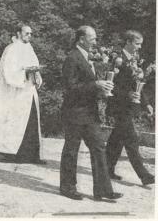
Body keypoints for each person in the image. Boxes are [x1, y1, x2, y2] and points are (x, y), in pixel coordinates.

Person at [60, 26, 122, 201]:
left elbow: (86, 86)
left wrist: (101, 91)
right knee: (72, 149)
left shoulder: (87, 57)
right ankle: (67, 187)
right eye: (92, 38)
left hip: (89, 112)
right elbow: (69, 88)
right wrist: (96, 85)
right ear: (81, 39)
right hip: (74, 112)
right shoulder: (72, 58)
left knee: (99, 147)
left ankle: (103, 190)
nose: (95, 42)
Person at [0, 25, 45, 164]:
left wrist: (36, 74)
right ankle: (11, 153)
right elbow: (6, 70)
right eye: (26, 33)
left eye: (31, 33)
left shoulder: (30, 49)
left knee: (31, 119)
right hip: (14, 91)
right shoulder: (11, 49)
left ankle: (32, 154)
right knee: (13, 121)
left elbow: (35, 66)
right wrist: (24, 72)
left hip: (28, 90)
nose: (29, 36)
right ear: (18, 33)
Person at [105, 30, 154, 185]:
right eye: (137, 43)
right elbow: (110, 86)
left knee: (117, 139)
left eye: (140, 44)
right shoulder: (116, 58)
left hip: (129, 106)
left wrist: (146, 103)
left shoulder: (135, 59)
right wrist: (127, 95)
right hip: (119, 105)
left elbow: (137, 85)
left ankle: (106, 168)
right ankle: (144, 175)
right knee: (131, 139)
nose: (139, 47)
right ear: (128, 42)